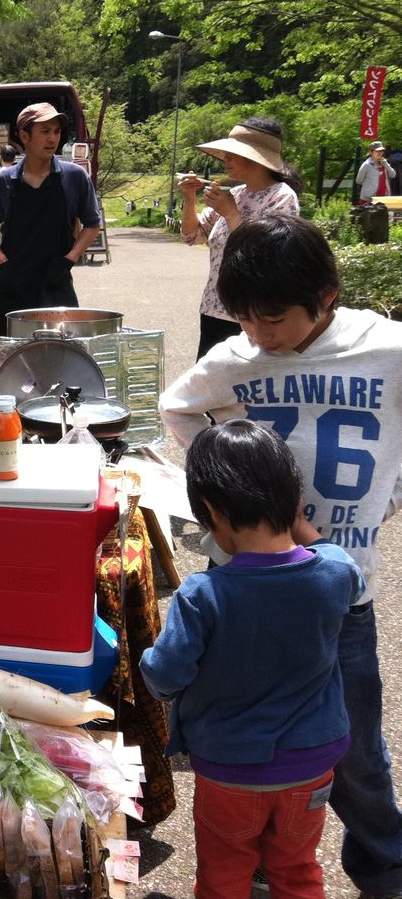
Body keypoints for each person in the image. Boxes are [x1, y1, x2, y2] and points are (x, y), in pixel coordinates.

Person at [159, 214, 402, 899]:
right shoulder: (236, 358)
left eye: (273, 320)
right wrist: (225, 488)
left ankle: (384, 869)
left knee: (355, 749)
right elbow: (177, 408)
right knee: (248, 724)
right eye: (245, 320)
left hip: (340, 593)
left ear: (326, 296)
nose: (260, 335)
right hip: (244, 583)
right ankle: (264, 857)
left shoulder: (386, 349)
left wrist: (388, 495)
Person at [141, 419, 364, 899]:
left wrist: (146, 658)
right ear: (295, 500)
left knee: (223, 877)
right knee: (298, 870)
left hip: (230, 769)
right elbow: (334, 560)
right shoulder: (337, 572)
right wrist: (298, 524)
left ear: (211, 512)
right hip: (312, 763)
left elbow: (165, 676)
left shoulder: (203, 594)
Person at [178, 117, 301, 360]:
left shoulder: (281, 197)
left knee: (248, 380)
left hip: (254, 315)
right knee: (211, 379)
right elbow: (193, 236)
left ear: (256, 158)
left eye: (232, 153)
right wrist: (190, 199)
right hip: (215, 306)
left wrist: (232, 213)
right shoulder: (234, 193)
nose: (225, 158)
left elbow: (268, 257)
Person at [0, 103, 102, 340]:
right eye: (45, 131)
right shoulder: (3, 182)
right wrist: (1, 262)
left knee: (60, 353)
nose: (52, 138)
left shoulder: (75, 177)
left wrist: (70, 259)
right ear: (24, 136)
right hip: (12, 285)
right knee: (9, 355)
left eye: (56, 131)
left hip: (56, 282)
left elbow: (92, 223)